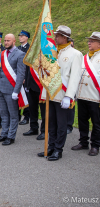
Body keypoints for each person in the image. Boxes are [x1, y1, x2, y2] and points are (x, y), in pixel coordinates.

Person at [38, 25, 83, 161]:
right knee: (51, 123)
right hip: (50, 93)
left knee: (61, 124)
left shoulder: (76, 54)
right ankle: (50, 147)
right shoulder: (52, 52)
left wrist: (69, 96)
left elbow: (75, 77)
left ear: (64, 37)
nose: (55, 38)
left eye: (57, 36)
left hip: (63, 95)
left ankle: (58, 149)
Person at [0, 34, 26, 145]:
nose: (6, 42)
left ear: (14, 41)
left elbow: (21, 75)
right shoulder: (2, 54)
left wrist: (16, 91)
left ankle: (11, 136)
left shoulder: (20, 54)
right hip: (0, 88)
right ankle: (4, 134)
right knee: (3, 113)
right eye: (5, 40)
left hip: (11, 90)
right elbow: (0, 71)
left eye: (8, 40)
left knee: (13, 114)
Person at [72, 32, 100, 156]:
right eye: (89, 41)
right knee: (82, 120)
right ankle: (83, 142)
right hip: (82, 95)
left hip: (95, 96)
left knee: (96, 122)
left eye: (92, 41)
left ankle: (95, 145)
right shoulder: (84, 57)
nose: (89, 43)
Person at [17, 30, 30, 125]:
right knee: (16, 96)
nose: (20, 37)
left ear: (27, 38)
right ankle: (17, 115)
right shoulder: (17, 48)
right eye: (19, 36)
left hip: (25, 76)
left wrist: (25, 77)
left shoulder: (29, 49)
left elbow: (28, 65)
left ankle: (26, 116)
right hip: (16, 76)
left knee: (26, 97)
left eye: (22, 36)